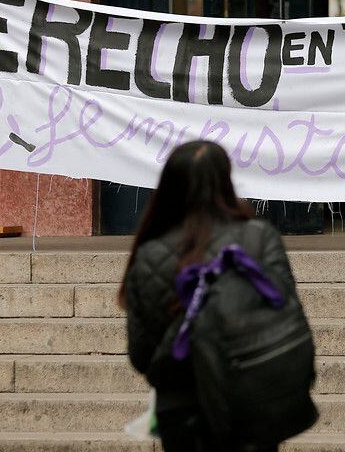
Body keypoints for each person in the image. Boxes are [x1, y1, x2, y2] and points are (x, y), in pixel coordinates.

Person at [119, 140, 301, 452]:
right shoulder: (260, 238)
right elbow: (285, 314)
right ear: (226, 181)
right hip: (253, 403)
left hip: (182, 412)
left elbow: (141, 354)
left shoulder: (150, 254)